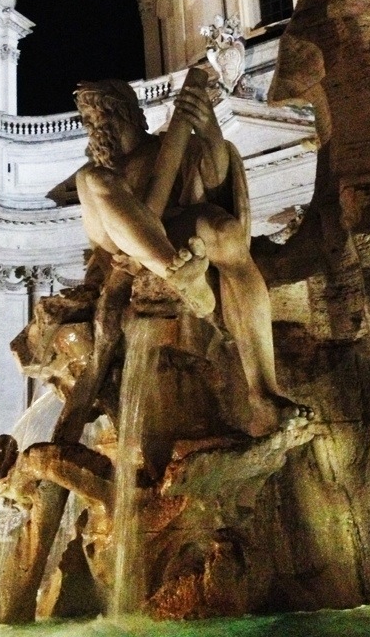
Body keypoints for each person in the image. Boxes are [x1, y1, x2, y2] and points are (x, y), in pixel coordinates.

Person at [74, 77, 312, 432]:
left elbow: (216, 183)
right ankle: (182, 277)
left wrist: (209, 130)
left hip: (170, 234)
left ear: (133, 116)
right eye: (90, 121)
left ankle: (263, 392)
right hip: (124, 249)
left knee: (227, 232)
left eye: (106, 116)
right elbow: (104, 242)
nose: (97, 128)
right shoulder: (93, 174)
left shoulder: (169, 146)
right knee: (97, 180)